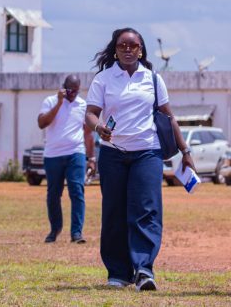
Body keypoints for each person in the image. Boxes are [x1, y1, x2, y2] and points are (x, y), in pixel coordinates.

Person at [85, 28, 193, 291]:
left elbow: (170, 117)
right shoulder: (104, 79)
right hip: (113, 154)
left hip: (147, 152)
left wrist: (185, 151)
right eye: (123, 45)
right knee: (115, 211)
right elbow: (90, 113)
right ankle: (118, 272)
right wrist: (99, 128)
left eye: (133, 46)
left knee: (146, 210)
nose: (128, 49)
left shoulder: (153, 79)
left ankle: (144, 269)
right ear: (115, 50)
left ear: (141, 50)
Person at [37, 74, 93, 243]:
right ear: (63, 87)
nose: (72, 94)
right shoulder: (49, 101)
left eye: (75, 91)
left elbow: (88, 133)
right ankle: (55, 229)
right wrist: (59, 103)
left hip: (75, 152)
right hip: (53, 154)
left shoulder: (82, 105)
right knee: (53, 194)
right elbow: (42, 123)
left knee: (77, 191)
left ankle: (76, 233)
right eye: (69, 91)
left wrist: (92, 157)